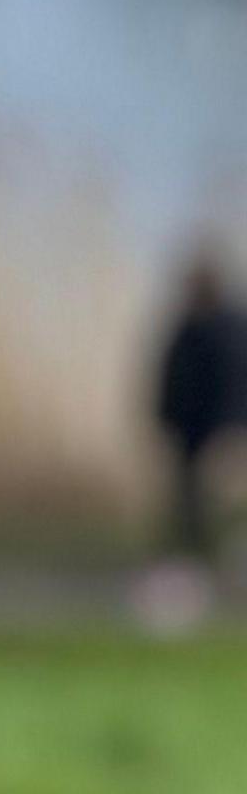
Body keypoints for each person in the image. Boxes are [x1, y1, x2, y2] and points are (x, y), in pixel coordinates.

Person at [154, 240, 243, 565]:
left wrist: (232, 427)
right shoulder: (186, 328)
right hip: (189, 435)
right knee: (193, 507)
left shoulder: (231, 327)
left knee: (227, 502)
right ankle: (200, 563)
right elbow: (171, 380)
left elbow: (234, 381)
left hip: (223, 433)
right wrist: (166, 420)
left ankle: (226, 567)